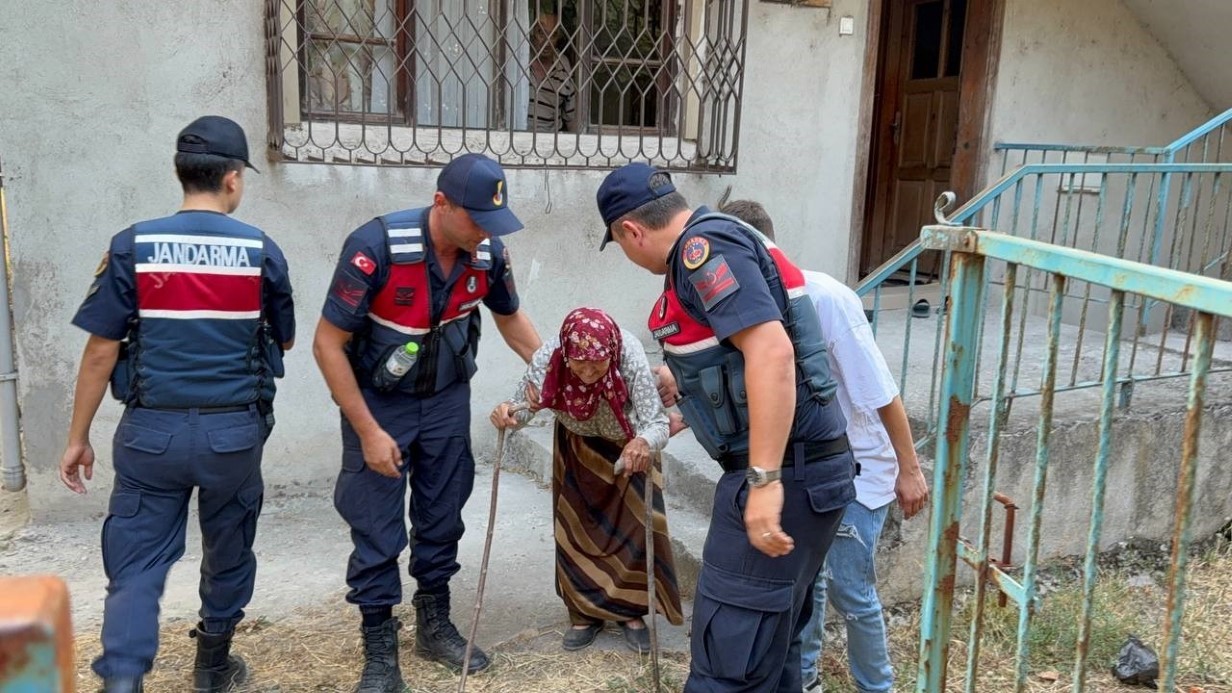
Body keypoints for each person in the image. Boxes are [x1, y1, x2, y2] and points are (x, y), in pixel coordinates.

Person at [595, 163, 857, 692]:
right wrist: (682, 379)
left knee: (727, 665)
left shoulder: (702, 250)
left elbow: (772, 352)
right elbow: (744, 354)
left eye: (620, 245)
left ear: (632, 231)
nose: (627, 254)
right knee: (769, 657)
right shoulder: (723, 238)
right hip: (807, 470)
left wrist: (764, 482)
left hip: (783, 472)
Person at [59, 115, 296, 693]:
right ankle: (213, 666)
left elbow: (99, 353)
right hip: (231, 437)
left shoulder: (132, 246)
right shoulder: (261, 250)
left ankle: (121, 681)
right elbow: (284, 338)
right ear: (234, 179)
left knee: (137, 566)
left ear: (179, 172)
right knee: (230, 546)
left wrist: (77, 437)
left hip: (150, 436)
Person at [312, 153, 541, 692]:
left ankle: (433, 623)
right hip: (380, 403)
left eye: (494, 223)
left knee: (442, 515)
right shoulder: (375, 248)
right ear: (442, 204)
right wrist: (368, 430)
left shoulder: (487, 255)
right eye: (477, 219)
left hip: (445, 400)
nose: (486, 232)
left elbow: (511, 321)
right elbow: (327, 344)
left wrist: (559, 372)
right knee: (376, 523)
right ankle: (378, 644)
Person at [717, 200, 929, 693]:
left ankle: (877, 687)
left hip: (857, 470)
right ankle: (806, 680)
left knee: (853, 593)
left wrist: (909, 468)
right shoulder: (749, 303)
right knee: (807, 587)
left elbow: (882, 391)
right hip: (803, 471)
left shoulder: (825, 298)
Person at [490, 307, 684, 652]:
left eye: (597, 363)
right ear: (566, 353)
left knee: (633, 530)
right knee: (574, 528)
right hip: (575, 443)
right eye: (579, 363)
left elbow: (655, 422)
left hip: (628, 446)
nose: (588, 371)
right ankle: (583, 613)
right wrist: (506, 414)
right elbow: (521, 408)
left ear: (610, 353)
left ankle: (630, 612)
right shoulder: (550, 356)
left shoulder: (630, 355)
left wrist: (643, 443)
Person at [528, 15, 577, 133]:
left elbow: (572, 118)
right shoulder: (518, 60)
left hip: (550, 142)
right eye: (541, 33)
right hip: (516, 140)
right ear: (532, 33)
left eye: (553, 35)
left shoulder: (563, 66)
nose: (547, 41)